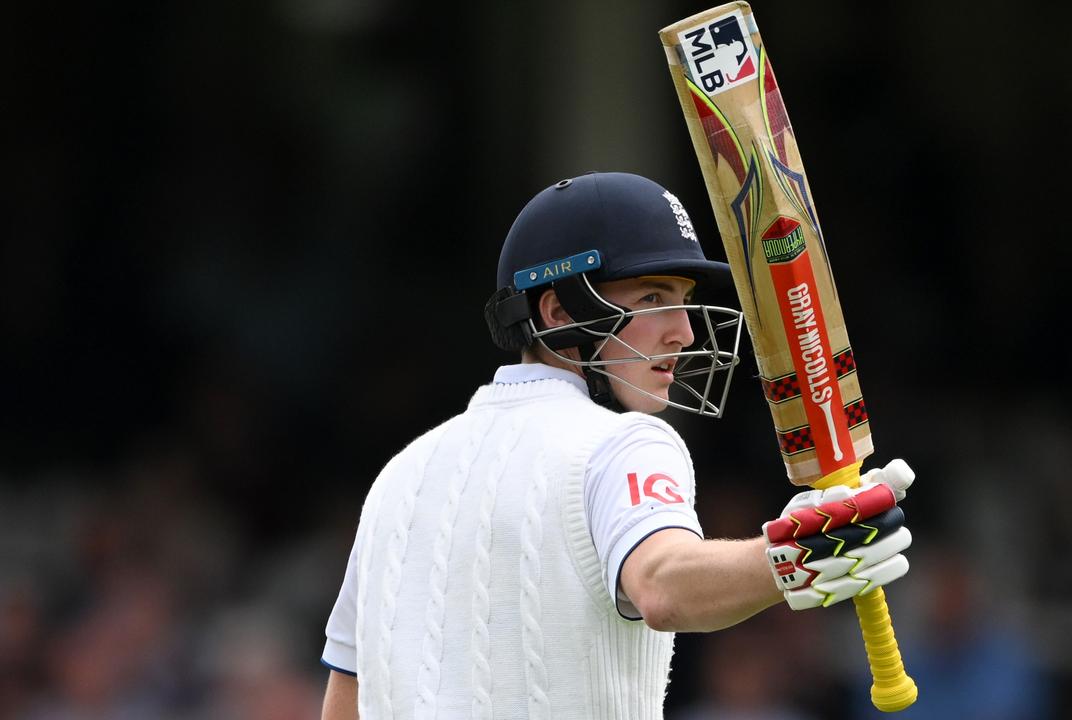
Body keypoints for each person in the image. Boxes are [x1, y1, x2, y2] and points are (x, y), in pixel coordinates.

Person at [319, 172, 915, 720]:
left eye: (681, 300)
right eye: (653, 299)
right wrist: (793, 556)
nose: (682, 331)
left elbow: (346, 697)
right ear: (556, 312)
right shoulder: (623, 442)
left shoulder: (402, 473)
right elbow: (661, 583)